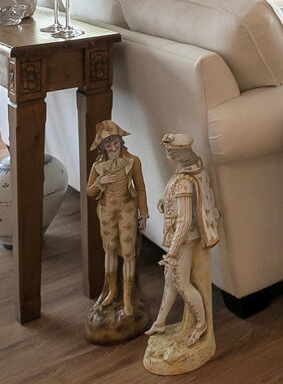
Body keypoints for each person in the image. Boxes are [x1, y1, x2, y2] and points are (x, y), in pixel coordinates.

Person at [147, 133, 221, 347]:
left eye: (170, 152)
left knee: (181, 283)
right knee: (170, 282)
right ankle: (160, 322)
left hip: (183, 240)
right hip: (176, 236)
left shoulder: (184, 183)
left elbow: (185, 220)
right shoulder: (183, 175)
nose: (168, 155)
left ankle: (201, 324)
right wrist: (165, 204)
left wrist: (172, 251)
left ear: (179, 154)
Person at [84, 120, 147, 318]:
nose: (113, 147)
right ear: (103, 146)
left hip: (127, 208)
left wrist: (143, 212)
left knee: (128, 252)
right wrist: (99, 182)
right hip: (106, 210)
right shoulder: (98, 166)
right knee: (110, 249)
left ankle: (127, 297)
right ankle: (112, 291)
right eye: (108, 145)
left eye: (115, 143)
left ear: (120, 142)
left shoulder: (133, 161)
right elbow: (89, 192)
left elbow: (141, 187)